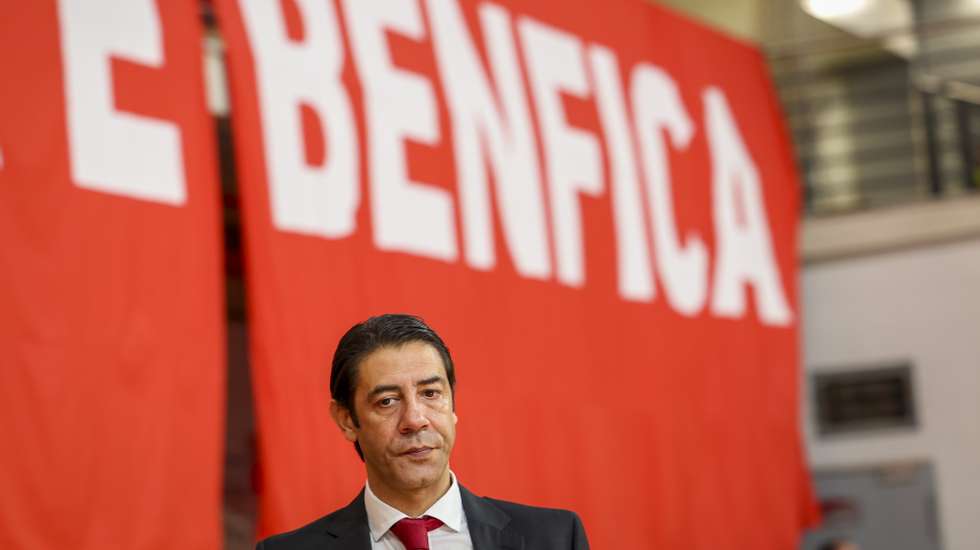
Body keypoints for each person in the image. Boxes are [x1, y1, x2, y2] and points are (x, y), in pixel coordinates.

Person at [256, 313, 590, 549]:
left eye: (431, 394)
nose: (415, 419)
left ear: (452, 405)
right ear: (346, 420)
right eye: (387, 401)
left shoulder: (554, 538)